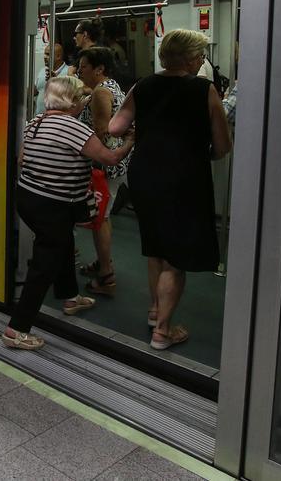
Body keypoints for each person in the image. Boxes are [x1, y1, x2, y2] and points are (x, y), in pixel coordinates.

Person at [109, 29, 232, 351]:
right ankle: (163, 331)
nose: (202, 61)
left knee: (156, 247)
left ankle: (154, 311)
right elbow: (221, 145)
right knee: (175, 259)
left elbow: (115, 127)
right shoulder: (203, 89)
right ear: (191, 58)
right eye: (201, 56)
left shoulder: (144, 85)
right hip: (184, 176)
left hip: (146, 173)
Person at [3, 76, 133, 351]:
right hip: (53, 205)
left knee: (63, 243)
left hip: (27, 198)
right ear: (73, 102)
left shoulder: (34, 123)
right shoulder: (75, 129)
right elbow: (109, 158)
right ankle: (17, 329)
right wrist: (131, 141)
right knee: (43, 264)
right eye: (82, 98)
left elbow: (21, 160)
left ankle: (70, 297)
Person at [74, 47, 130, 295]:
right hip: (113, 164)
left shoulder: (101, 93)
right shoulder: (110, 87)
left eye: (84, 66)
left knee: (100, 219)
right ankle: (102, 261)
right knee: (103, 215)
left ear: (99, 69)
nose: (79, 70)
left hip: (104, 166)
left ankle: (106, 275)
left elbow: (101, 132)